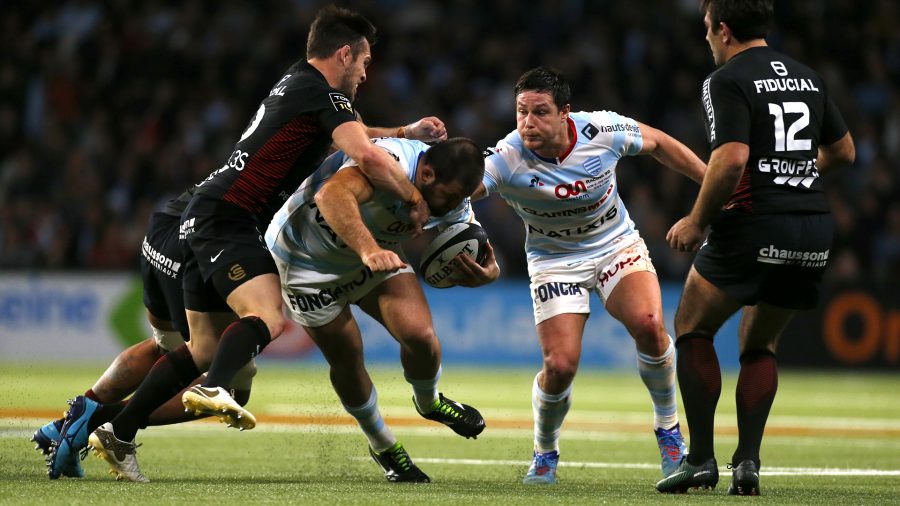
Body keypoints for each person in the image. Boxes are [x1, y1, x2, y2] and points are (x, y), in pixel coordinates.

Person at [82, 5, 448, 482]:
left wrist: (405, 132)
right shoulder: (325, 96)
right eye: (363, 62)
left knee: (203, 348)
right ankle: (214, 390)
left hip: (210, 213)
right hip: (228, 218)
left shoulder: (300, 84)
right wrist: (414, 198)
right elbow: (365, 155)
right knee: (268, 317)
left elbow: (356, 139)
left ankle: (117, 432)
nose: (364, 73)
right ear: (344, 53)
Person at [655, 0, 856, 495]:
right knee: (760, 342)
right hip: (811, 228)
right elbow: (844, 152)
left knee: (691, 327)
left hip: (753, 225)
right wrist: (792, 177)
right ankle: (747, 464)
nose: (706, 38)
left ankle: (701, 460)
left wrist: (697, 220)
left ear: (723, 29)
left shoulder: (724, 80)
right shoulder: (808, 76)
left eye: (706, 28)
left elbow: (730, 159)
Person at [470, 66, 707, 485]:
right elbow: (465, 188)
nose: (527, 123)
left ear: (566, 113)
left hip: (615, 244)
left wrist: (712, 184)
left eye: (540, 112)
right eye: (521, 112)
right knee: (559, 365)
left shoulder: (602, 129)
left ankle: (669, 431)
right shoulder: (508, 157)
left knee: (650, 326)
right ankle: (545, 453)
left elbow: (659, 142)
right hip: (553, 260)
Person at [265, 136, 497, 482]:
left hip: (374, 255)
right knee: (348, 358)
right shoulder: (388, 165)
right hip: (306, 263)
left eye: (461, 199)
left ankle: (430, 402)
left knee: (420, 336)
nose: (453, 207)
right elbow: (330, 195)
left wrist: (490, 273)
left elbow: (473, 239)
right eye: (450, 197)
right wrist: (368, 250)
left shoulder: (452, 198)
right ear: (428, 174)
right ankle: (383, 445)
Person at [37, 201, 255, 480]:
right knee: (233, 387)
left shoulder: (261, 161)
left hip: (165, 226)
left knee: (163, 345)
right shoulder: (305, 170)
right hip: (204, 240)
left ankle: (78, 413)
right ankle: (94, 421)